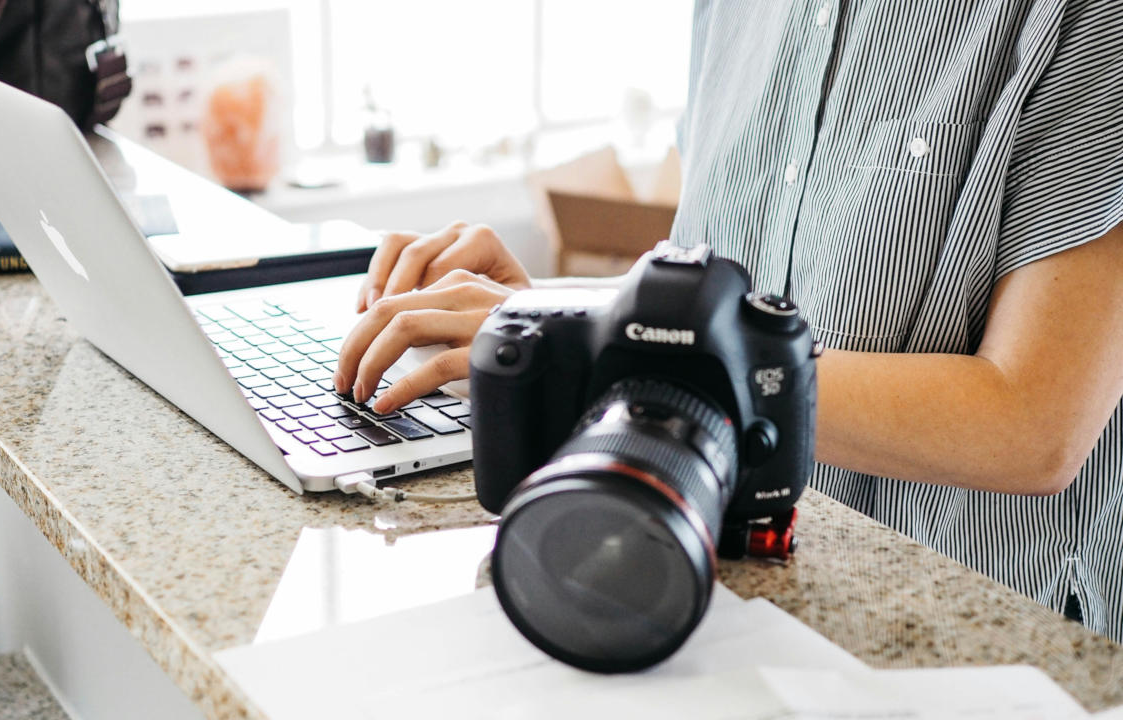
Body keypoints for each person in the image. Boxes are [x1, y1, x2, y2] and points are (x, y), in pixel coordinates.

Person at [332, 1, 1123, 641]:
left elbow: (1033, 422)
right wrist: (561, 318)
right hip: (729, 591)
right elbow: (707, 294)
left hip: (971, 635)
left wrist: (592, 337)